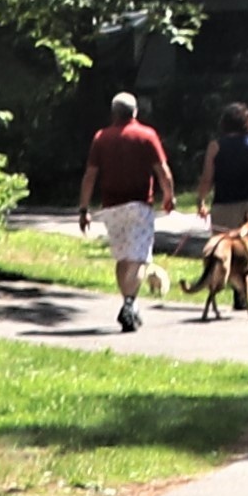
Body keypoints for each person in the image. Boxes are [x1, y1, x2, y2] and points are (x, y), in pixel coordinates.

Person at [78, 91, 176, 333]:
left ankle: (127, 302)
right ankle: (130, 305)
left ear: (113, 113)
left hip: (112, 207)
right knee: (139, 257)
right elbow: (162, 170)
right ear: (135, 112)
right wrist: (169, 196)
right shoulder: (146, 135)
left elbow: (90, 175)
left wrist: (83, 208)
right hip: (139, 205)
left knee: (123, 258)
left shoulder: (101, 137)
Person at [196, 100, 248, 232]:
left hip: (224, 206)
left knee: (224, 248)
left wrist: (201, 201)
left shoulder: (215, 147)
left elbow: (207, 179)